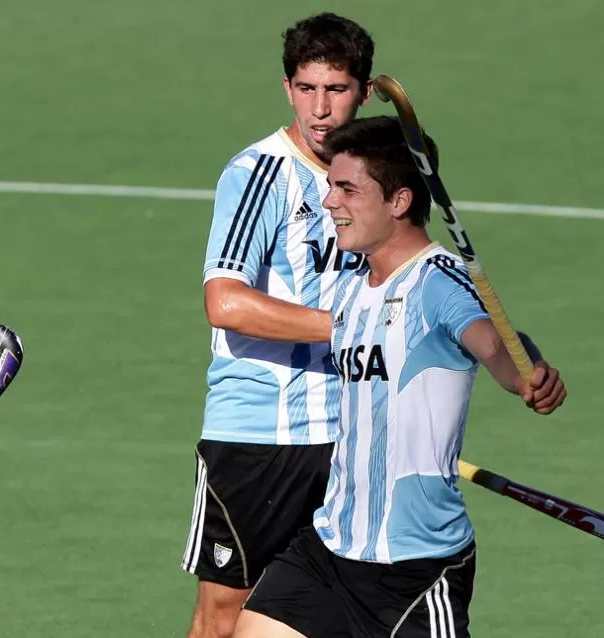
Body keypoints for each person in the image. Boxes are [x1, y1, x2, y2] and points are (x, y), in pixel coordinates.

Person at [232, 115, 568, 638]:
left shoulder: (439, 282)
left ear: (400, 201)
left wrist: (527, 373)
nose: (329, 203)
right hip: (329, 548)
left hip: (412, 570)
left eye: (346, 189)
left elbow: (495, 342)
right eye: (329, 188)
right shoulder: (350, 285)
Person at [181, 12, 375, 638]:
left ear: (363, 93)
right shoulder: (258, 176)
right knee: (226, 615)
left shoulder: (377, 180)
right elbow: (226, 304)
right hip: (260, 438)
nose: (321, 109)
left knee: (338, 612)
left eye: (337, 90)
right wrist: (347, 328)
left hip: (352, 432)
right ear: (288, 88)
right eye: (307, 88)